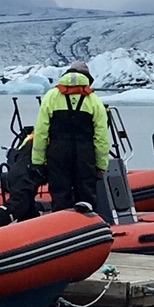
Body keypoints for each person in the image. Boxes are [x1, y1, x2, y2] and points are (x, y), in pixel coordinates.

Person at [31, 62, 111, 214]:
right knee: (86, 197)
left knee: (60, 196)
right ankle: (86, 229)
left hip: (58, 152)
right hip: (85, 154)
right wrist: (101, 165)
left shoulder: (51, 97)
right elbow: (101, 136)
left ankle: (61, 228)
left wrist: (38, 162)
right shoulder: (94, 100)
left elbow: (41, 131)